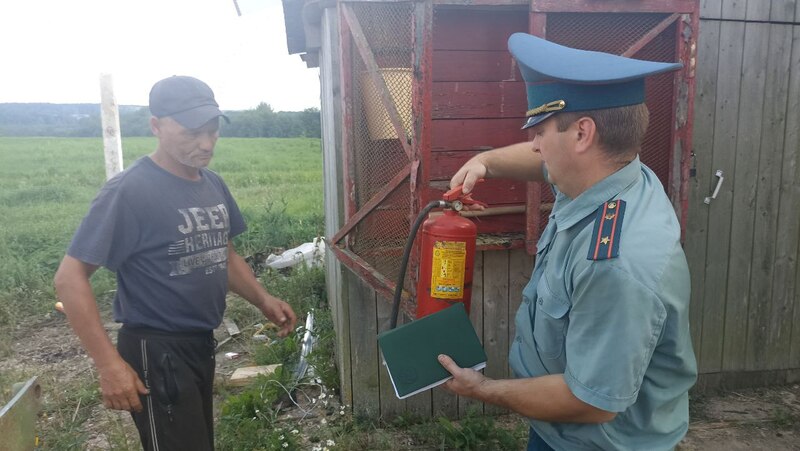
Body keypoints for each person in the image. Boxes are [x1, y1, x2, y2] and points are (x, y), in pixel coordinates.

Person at [438, 34, 697, 450]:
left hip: (592, 439)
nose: (534, 145)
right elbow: (541, 162)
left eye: (540, 131)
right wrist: (484, 162)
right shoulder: (608, 172)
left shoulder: (616, 263)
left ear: (582, 134)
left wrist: (483, 388)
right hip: (558, 424)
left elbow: (590, 401)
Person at [54, 75, 297, 451]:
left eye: (212, 131)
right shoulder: (129, 191)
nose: (206, 143)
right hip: (156, 350)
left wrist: (264, 300)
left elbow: (224, 254)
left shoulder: (212, 184)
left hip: (200, 342)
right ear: (156, 126)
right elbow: (70, 278)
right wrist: (109, 365)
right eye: (192, 133)